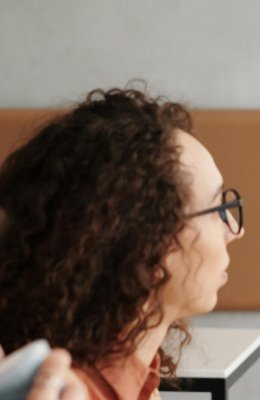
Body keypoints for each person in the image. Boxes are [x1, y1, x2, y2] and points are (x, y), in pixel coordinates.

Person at [0, 87, 244, 399]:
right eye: (219, 209)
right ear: (151, 246)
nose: (235, 230)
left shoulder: (137, 372)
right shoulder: (74, 392)